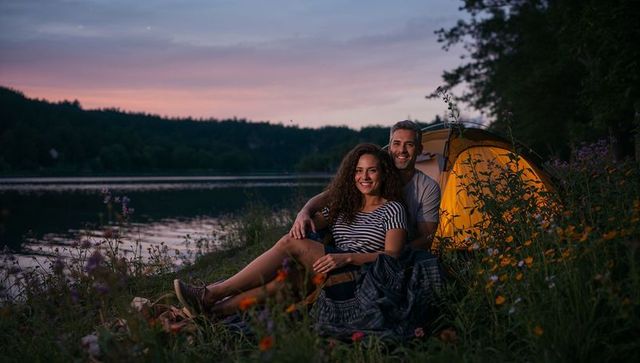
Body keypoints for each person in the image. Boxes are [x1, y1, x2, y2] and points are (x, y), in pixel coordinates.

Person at [174, 143, 408, 319]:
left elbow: (393, 255)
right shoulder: (345, 205)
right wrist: (303, 215)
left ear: (383, 174)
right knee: (283, 283)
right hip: (330, 267)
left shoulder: (393, 208)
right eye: (358, 170)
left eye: (372, 171)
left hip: (362, 274)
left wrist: (346, 257)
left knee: (290, 243)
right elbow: (310, 224)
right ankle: (213, 313)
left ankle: (211, 293)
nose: (364, 177)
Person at [290, 120, 440, 251]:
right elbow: (332, 194)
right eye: (397, 143)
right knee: (299, 235)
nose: (402, 150)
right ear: (389, 148)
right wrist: (304, 212)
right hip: (354, 245)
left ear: (419, 149)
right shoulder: (374, 175)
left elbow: (427, 237)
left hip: (392, 254)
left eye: (409, 145)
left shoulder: (427, 187)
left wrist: (391, 251)